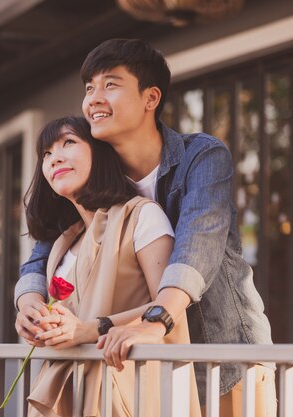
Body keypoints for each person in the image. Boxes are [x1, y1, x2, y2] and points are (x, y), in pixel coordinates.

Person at [15, 39, 277, 417]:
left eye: (111, 84)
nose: (94, 98)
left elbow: (197, 242)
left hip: (225, 356)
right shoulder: (98, 181)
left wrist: (157, 319)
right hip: (146, 366)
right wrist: (30, 306)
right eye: (89, 88)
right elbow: (40, 256)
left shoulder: (199, 157)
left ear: (150, 98)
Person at [22, 116, 200, 417]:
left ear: (99, 152)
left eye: (68, 143)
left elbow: (170, 311)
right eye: (46, 153)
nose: (55, 158)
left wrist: (88, 330)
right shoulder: (65, 241)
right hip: (72, 394)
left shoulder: (141, 217)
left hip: (129, 393)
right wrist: (38, 322)